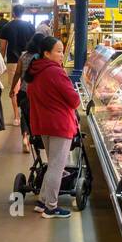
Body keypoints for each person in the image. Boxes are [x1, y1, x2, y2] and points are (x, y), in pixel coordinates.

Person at [25, 36, 82, 219]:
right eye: (58, 51)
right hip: (59, 124)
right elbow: (74, 100)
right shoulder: (55, 72)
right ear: (46, 53)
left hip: (43, 123)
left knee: (53, 165)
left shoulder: (35, 71)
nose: (61, 54)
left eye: (62, 50)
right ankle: (51, 207)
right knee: (57, 167)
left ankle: (42, 202)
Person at [9, 32, 48, 154]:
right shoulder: (42, 57)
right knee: (36, 115)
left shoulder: (23, 56)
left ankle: (25, 137)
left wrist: (12, 89)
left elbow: (17, 74)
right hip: (38, 92)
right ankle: (36, 138)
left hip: (24, 91)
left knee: (24, 116)